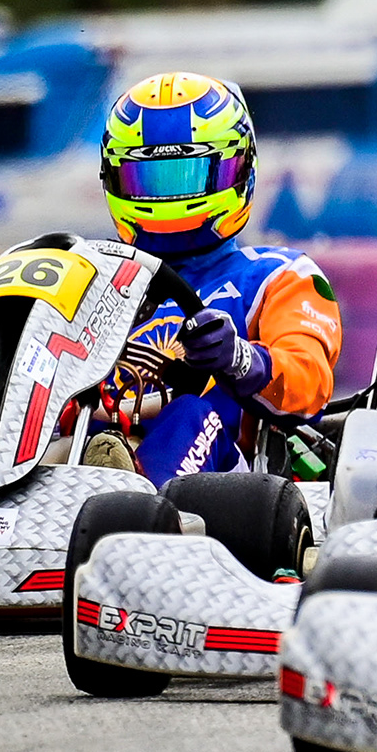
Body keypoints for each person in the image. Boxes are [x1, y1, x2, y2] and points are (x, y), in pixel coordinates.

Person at [96, 72, 344, 481]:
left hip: (223, 481)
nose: (166, 199)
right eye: (150, 180)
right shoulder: (95, 277)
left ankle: (140, 507)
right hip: (96, 442)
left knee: (191, 414)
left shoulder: (277, 276)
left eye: (187, 176)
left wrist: (240, 358)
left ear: (239, 170)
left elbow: (309, 385)